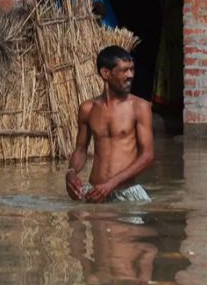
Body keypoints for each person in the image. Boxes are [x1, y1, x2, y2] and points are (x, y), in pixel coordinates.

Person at [65, 45, 154, 203]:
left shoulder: (139, 107)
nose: (130, 75)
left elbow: (147, 156)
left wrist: (111, 184)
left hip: (126, 193)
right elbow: (80, 149)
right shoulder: (88, 109)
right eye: (124, 70)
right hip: (95, 193)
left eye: (132, 69)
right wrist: (71, 172)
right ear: (105, 73)